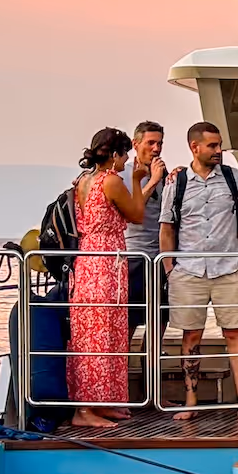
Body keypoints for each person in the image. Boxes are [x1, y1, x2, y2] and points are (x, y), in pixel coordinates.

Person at [158, 122, 238, 421]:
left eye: (220, 145)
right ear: (194, 147)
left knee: (235, 332)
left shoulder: (232, 178)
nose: (218, 151)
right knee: (191, 335)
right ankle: (191, 401)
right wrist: (170, 269)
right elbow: (167, 228)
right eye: (213, 146)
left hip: (229, 268)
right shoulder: (177, 182)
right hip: (189, 270)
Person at [69, 128, 148, 429]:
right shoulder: (111, 181)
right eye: (125, 154)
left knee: (95, 334)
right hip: (105, 261)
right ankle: (84, 409)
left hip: (87, 260)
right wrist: (140, 181)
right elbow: (137, 214)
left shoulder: (81, 181)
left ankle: (100, 403)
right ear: (114, 155)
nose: (128, 161)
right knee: (102, 335)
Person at [120, 121, 171, 332]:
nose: (156, 149)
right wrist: (153, 181)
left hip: (160, 257)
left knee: (159, 320)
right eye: (150, 143)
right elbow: (131, 212)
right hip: (133, 256)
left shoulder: (163, 173)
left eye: (159, 143)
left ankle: (150, 363)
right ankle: (123, 365)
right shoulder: (124, 174)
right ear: (135, 144)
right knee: (130, 321)